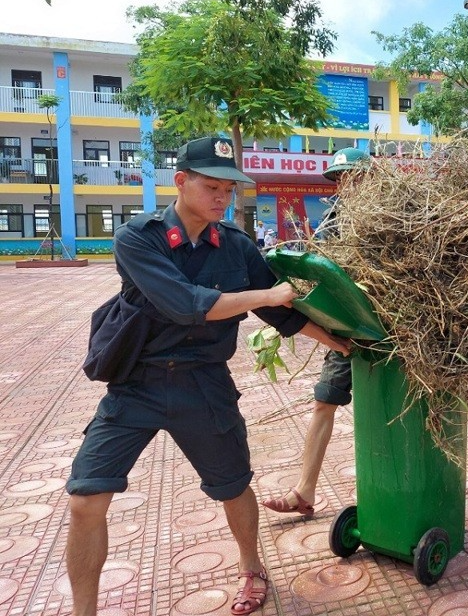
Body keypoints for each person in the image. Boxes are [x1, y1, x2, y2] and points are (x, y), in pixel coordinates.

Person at [64, 136, 351, 616]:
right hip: (137, 384)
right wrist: (266, 296)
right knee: (85, 499)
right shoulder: (140, 237)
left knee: (234, 487)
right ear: (181, 181)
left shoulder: (235, 246)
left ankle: (252, 567)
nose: (222, 198)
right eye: (212, 186)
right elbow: (187, 305)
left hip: (204, 383)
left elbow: (283, 314)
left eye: (228, 189)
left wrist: (339, 342)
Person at [261, 147, 371, 517]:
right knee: (325, 400)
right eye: (339, 178)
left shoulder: (397, 215)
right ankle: (304, 491)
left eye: (351, 176)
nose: (345, 184)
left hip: (397, 332)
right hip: (348, 328)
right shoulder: (332, 222)